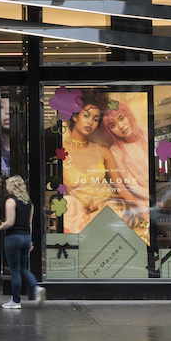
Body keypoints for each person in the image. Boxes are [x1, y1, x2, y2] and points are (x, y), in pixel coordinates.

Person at [60, 92, 143, 237]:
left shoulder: (103, 151)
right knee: (67, 203)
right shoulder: (61, 152)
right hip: (79, 213)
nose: (90, 122)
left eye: (96, 119)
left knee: (109, 211)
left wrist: (145, 212)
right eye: (86, 115)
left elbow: (121, 189)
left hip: (110, 208)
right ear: (75, 116)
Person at [0, 175, 45, 309]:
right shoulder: (29, 203)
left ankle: (16, 300)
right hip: (26, 237)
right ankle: (36, 287)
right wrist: (30, 240)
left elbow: (10, 222)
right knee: (23, 268)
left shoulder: (10, 201)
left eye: (8, 185)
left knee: (15, 270)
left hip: (13, 237)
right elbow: (30, 223)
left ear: (12, 187)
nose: (7, 188)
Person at [101, 98, 150, 205]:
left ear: (128, 115)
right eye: (113, 125)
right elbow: (131, 184)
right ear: (109, 131)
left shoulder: (148, 133)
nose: (121, 126)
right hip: (143, 201)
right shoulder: (115, 151)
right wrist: (153, 197)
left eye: (122, 118)